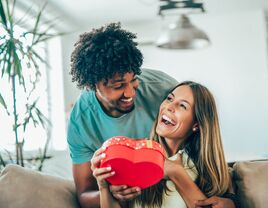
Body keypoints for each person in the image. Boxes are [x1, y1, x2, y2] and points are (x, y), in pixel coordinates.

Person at [67, 22, 237, 208]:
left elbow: (206, 140)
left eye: (133, 81)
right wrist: (109, 191)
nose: (131, 93)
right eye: (118, 86)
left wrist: (231, 199)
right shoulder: (81, 121)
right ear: (92, 85)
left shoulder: (162, 89)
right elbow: (84, 193)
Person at [91, 81, 238, 208]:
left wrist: (175, 171)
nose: (169, 107)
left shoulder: (207, 171)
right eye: (169, 99)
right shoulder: (134, 156)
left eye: (182, 106)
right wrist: (104, 186)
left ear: (196, 124)